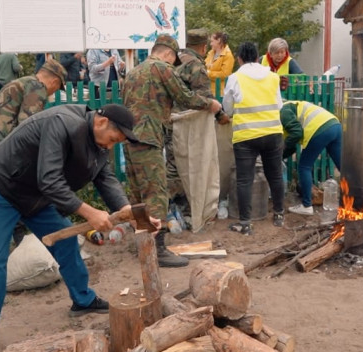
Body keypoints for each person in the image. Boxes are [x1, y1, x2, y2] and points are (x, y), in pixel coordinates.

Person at [0, 103, 153, 352]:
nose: (112, 146)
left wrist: (125, 210)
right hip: (1, 190)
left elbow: (106, 179)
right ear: (101, 122)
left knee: (66, 242)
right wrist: (89, 213)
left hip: (36, 197)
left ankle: (83, 299)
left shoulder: (99, 145)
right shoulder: (61, 122)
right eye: (113, 139)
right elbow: (50, 179)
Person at [123, 34, 222, 267]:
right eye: (173, 59)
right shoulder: (162, 68)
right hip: (149, 139)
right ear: (169, 54)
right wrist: (211, 105)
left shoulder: (133, 72)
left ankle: (143, 245)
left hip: (129, 138)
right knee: (156, 195)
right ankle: (157, 252)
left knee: (138, 195)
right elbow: (184, 97)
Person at [222, 42, 286, 234]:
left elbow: (228, 108)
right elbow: (279, 105)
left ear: (239, 59)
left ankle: (245, 223)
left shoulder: (235, 78)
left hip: (246, 135)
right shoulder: (273, 77)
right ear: (258, 57)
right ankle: (279, 215)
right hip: (272, 133)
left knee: (244, 179)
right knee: (275, 175)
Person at [166, 29, 228, 225]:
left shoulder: (174, 60)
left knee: (171, 165)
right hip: (189, 125)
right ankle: (181, 207)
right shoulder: (195, 66)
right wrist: (220, 115)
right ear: (202, 47)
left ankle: (169, 209)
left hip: (169, 120)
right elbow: (205, 98)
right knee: (191, 165)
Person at [0, 59, 65, 161]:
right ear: (54, 82)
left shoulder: (26, 82)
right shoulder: (36, 87)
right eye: (57, 89)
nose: (54, 92)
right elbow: (29, 125)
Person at [281, 100, 342, 215]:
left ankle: (307, 206)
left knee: (304, 166)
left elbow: (296, 133)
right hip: (335, 125)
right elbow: (293, 144)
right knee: (342, 167)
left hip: (319, 128)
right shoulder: (292, 106)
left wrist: (281, 151)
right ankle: (355, 200)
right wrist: (282, 155)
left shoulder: (282, 110)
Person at [205, 31, 234, 96]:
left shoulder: (228, 56)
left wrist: (208, 73)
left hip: (220, 93)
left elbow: (225, 74)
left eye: (212, 41)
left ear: (218, 40)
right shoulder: (210, 53)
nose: (210, 44)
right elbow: (204, 66)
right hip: (208, 91)